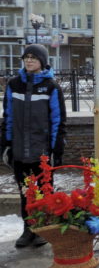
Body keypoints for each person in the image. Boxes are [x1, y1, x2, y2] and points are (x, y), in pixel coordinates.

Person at [0, 44, 66, 248]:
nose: (29, 61)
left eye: (34, 58)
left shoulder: (51, 87)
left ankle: (43, 229)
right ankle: (28, 229)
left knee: (45, 192)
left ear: (42, 62)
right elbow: (8, 117)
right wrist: (6, 145)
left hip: (42, 153)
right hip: (20, 150)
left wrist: (56, 150)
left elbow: (58, 120)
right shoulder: (14, 85)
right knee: (25, 192)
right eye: (26, 57)